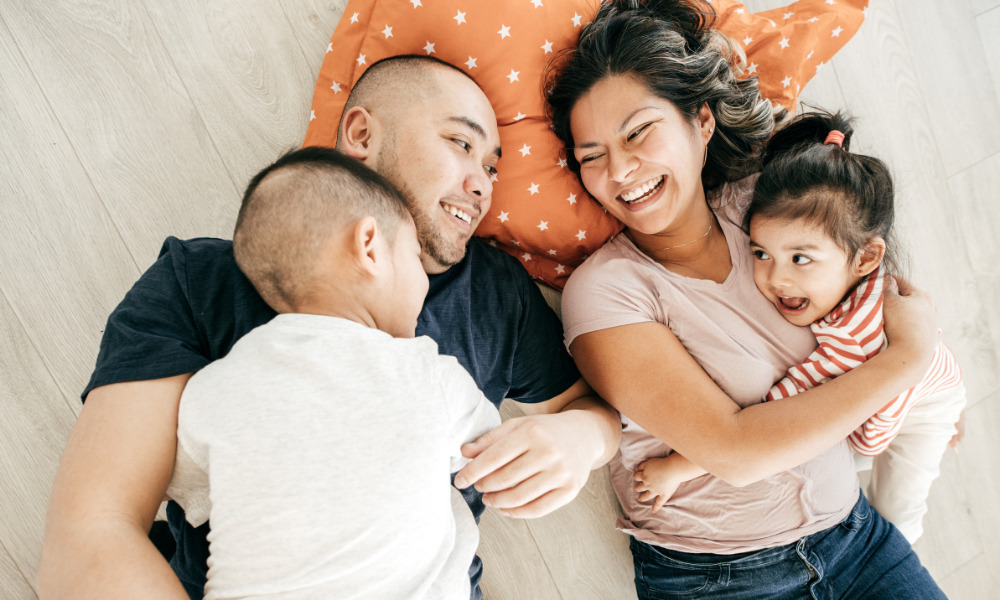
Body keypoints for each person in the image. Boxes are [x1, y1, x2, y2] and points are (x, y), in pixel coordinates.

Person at [37, 55, 621, 600]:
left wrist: (579, 440)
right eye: (461, 143)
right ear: (362, 135)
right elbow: (91, 536)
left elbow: (590, 406)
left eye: (492, 166)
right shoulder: (200, 281)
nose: (483, 182)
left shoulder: (495, 290)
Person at [547, 1, 947, 598]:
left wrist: (919, 393)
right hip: (721, 579)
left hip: (857, 540)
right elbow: (733, 451)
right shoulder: (605, 293)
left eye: (638, 132)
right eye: (592, 157)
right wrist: (904, 365)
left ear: (701, 122)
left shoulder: (772, 203)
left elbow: (875, 291)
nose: (622, 169)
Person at [165, 146, 501, 600]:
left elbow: (184, 486)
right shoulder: (427, 374)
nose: (424, 279)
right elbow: (487, 452)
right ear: (369, 246)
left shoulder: (214, 387)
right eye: (414, 254)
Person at [632, 110, 966, 543]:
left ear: (866, 258)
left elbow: (778, 416)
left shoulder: (852, 338)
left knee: (898, 514)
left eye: (800, 258)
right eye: (761, 253)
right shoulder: (847, 276)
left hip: (922, 410)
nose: (776, 279)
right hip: (921, 382)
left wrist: (676, 468)